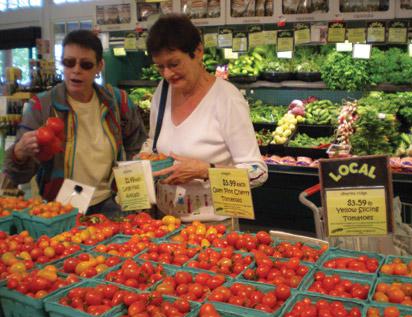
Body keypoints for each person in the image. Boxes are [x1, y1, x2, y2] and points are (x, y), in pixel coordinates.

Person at [4, 29, 147, 216]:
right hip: (63, 208)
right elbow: (18, 175)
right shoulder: (41, 106)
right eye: (69, 62)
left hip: (112, 204)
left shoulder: (117, 102)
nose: (76, 70)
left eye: (86, 64)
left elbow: (137, 149)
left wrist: (134, 197)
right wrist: (19, 153)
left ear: (99, 66)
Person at [140, 14, 268, 222]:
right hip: (165, 221)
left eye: (174, 64)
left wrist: (206, 170)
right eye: (160, 67)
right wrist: (144, 157)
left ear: (198, 52)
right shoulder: (162, 92)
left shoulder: (226, 98)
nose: (167, 74)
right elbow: (153, 143)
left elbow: (258, 172)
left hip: (215, 226)